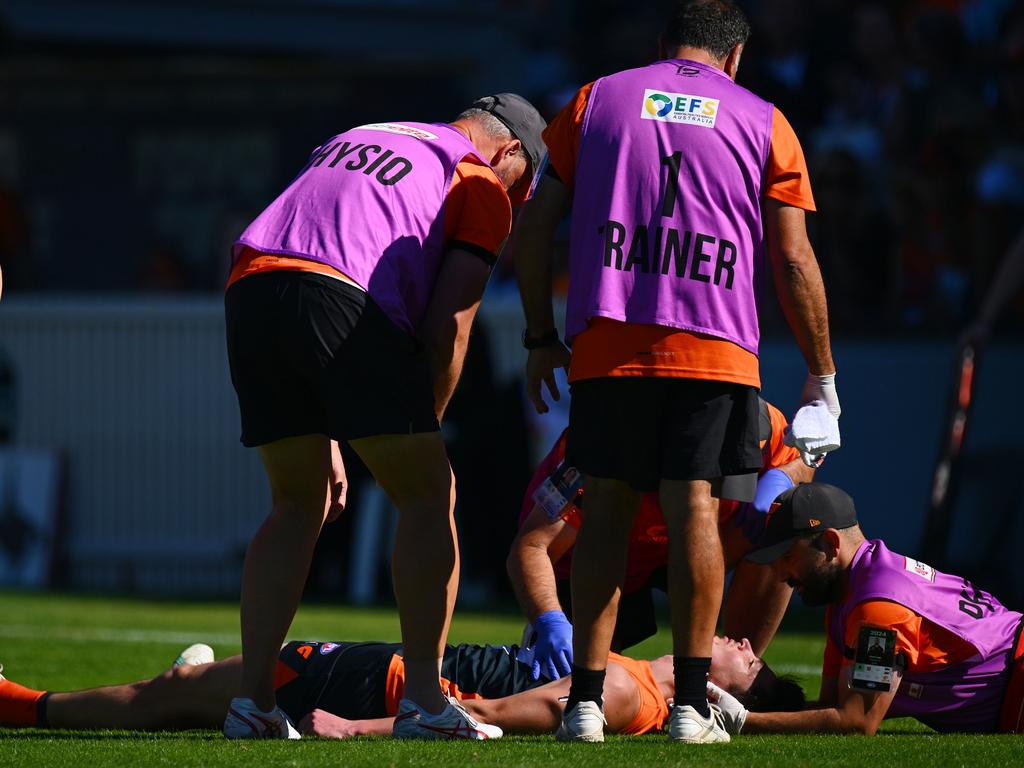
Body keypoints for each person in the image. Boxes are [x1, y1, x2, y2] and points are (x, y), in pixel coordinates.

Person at [512, 0, 838, 743]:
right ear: (735, 57)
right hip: (715, 347)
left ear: (663, 46)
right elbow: (791, 258)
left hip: (608, 343)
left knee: (607, 511)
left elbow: (535, 228)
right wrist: (821, 374)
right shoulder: (764, 119)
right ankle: (691, 707)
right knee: (695, 507)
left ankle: (586, 705)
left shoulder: (596, 98)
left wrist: (538, 335)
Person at [224, 94, 546, 740]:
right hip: (339, 294)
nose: (514, 208)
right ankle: (425, 703)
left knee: (297, 502)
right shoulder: (478, 178)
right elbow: (450, 324)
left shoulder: (367, 130)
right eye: (523, 191)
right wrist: (425, 428)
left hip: (250, 286)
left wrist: (335, 421)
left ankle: (252, 703)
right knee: (431, 493)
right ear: (510, 153)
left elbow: (308, 239)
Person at [508, 397, 814, 678]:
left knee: (780, 527)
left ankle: (729, 679)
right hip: (594, 562)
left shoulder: (765, 425)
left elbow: (805, 457)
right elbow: (531, 546)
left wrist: (782, 478)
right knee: (576, 682)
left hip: (687, 549)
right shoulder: (600, 449)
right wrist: (551, 621)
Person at [0, 635, 802, 738]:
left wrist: (358, 731)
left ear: (731, 696)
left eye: (750, 662)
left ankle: (22, 706)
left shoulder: (636, 697)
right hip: (389, 671)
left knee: (173, 692)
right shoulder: (632, 673)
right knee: (185, 698)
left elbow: (483, 715)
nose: (739, 642)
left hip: (377, 683)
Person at [709, 483, 1024, 736]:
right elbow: (832, 705)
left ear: (831, 544)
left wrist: (743, 721)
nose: (781, 574)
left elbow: (856, 721)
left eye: (788, 556)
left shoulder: (878, 607)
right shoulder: (848, 593)